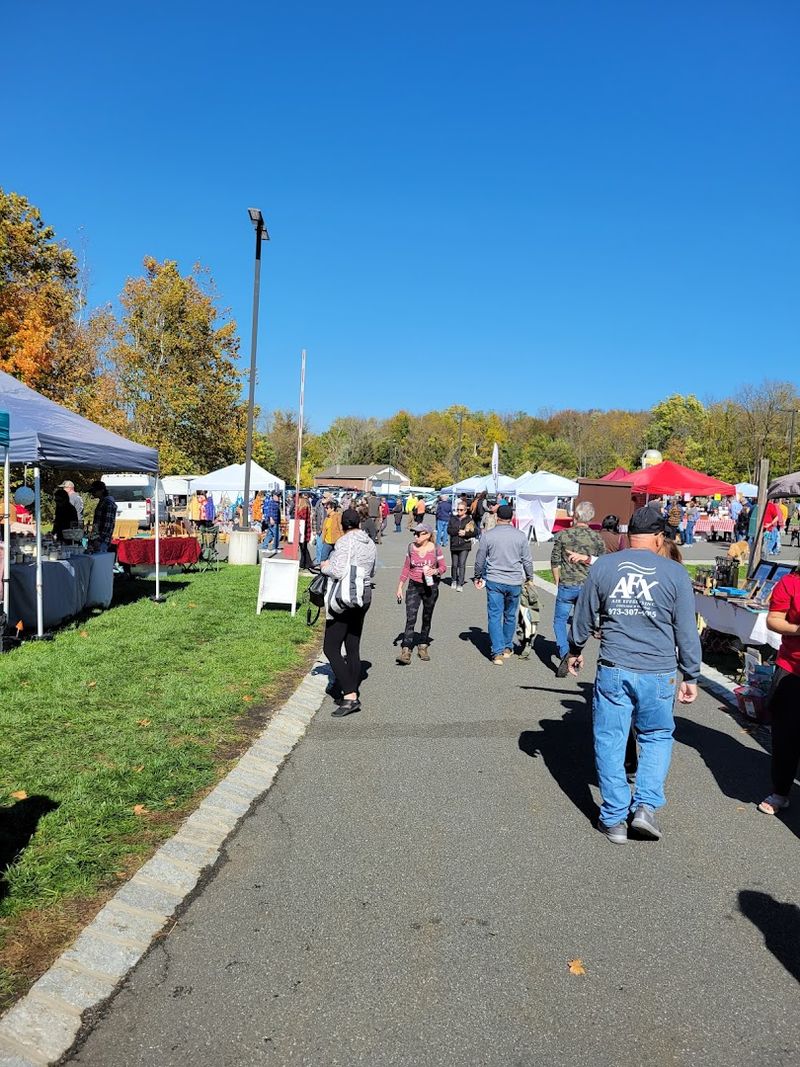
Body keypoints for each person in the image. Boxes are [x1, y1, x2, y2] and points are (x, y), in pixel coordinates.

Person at [566, 506, 701, 844]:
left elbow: (583, 615)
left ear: (628, 536)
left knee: (611, 739)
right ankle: (644, 807)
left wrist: (574, 649)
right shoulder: (675, 574)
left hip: (614, 667)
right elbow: (686, 629)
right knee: (656, 736)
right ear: (659, 537)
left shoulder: (605, 567)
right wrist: (692, 674)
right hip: (659, 672)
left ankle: (613, 819)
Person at [320, 508, 377, 716]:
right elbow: (372, 571)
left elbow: (337, 570)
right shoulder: (370, 542)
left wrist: (324, 566)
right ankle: (347, 686)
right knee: (352, 645)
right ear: (359, 523)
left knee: (331, 647)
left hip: (345, 596)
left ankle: (350, 695)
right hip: (365, 594)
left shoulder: (345, 542)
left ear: (343, 524)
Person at [757, 563, 800, 816]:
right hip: (792, 670)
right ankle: (780, 792)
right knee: (786, 737)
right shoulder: (790, 583)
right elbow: (774, 619)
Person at [473, 504, 533, 665]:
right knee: (510, 615)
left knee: (494, 615)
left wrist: (477, 575)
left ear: (496, 517)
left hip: (495, 579)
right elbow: (527, 559)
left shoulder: (488, 535)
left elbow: (480, 558)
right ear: (512, 518)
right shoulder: (520, 536)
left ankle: (497, 651)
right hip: (514, 580)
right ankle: (507, 646)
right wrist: (530, 576)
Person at [550, 501, 605, 677]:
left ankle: (565, 651)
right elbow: (603, 563)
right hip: (587, 586)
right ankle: (575, 650)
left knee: (559, 620)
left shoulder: (563, 535)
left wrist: (558, 580)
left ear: (575, 515)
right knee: (580, 622)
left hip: (567, 583)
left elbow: (555, 561)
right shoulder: (597, 538)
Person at [395, 523, 447, 663]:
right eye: (415, 533)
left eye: (419, 534)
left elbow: (443, 567)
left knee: (427, 616)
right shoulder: (411, 547)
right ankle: (406, 649)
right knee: (410, 617)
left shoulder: (436, 549)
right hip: (414, 585)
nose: (416, 536)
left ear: (428, 535)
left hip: (431, 587)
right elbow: (406, 567)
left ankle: (423, 645)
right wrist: (400, 586)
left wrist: (435, 571)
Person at [447, 498, 477, 590]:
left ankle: (460, 583)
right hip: (454, 544)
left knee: (462, 564)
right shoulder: (453, 519)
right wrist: (457, 531)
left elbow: (475, 531)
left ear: (465, 510)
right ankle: (454, 580)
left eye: (461, 510)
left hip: (465, 545)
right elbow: (449, 530)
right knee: (454, 564)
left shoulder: (469, 520)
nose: (459, 511)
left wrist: (466, 533)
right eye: (457, 509)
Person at [88, 480, 117, 554]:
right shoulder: (102, 502)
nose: (92, 493)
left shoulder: (108, 504)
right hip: (97, 538)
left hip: (102, 541)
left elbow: (107, 525)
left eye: (94, 491)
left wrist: (99, 540)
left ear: (102, 490)